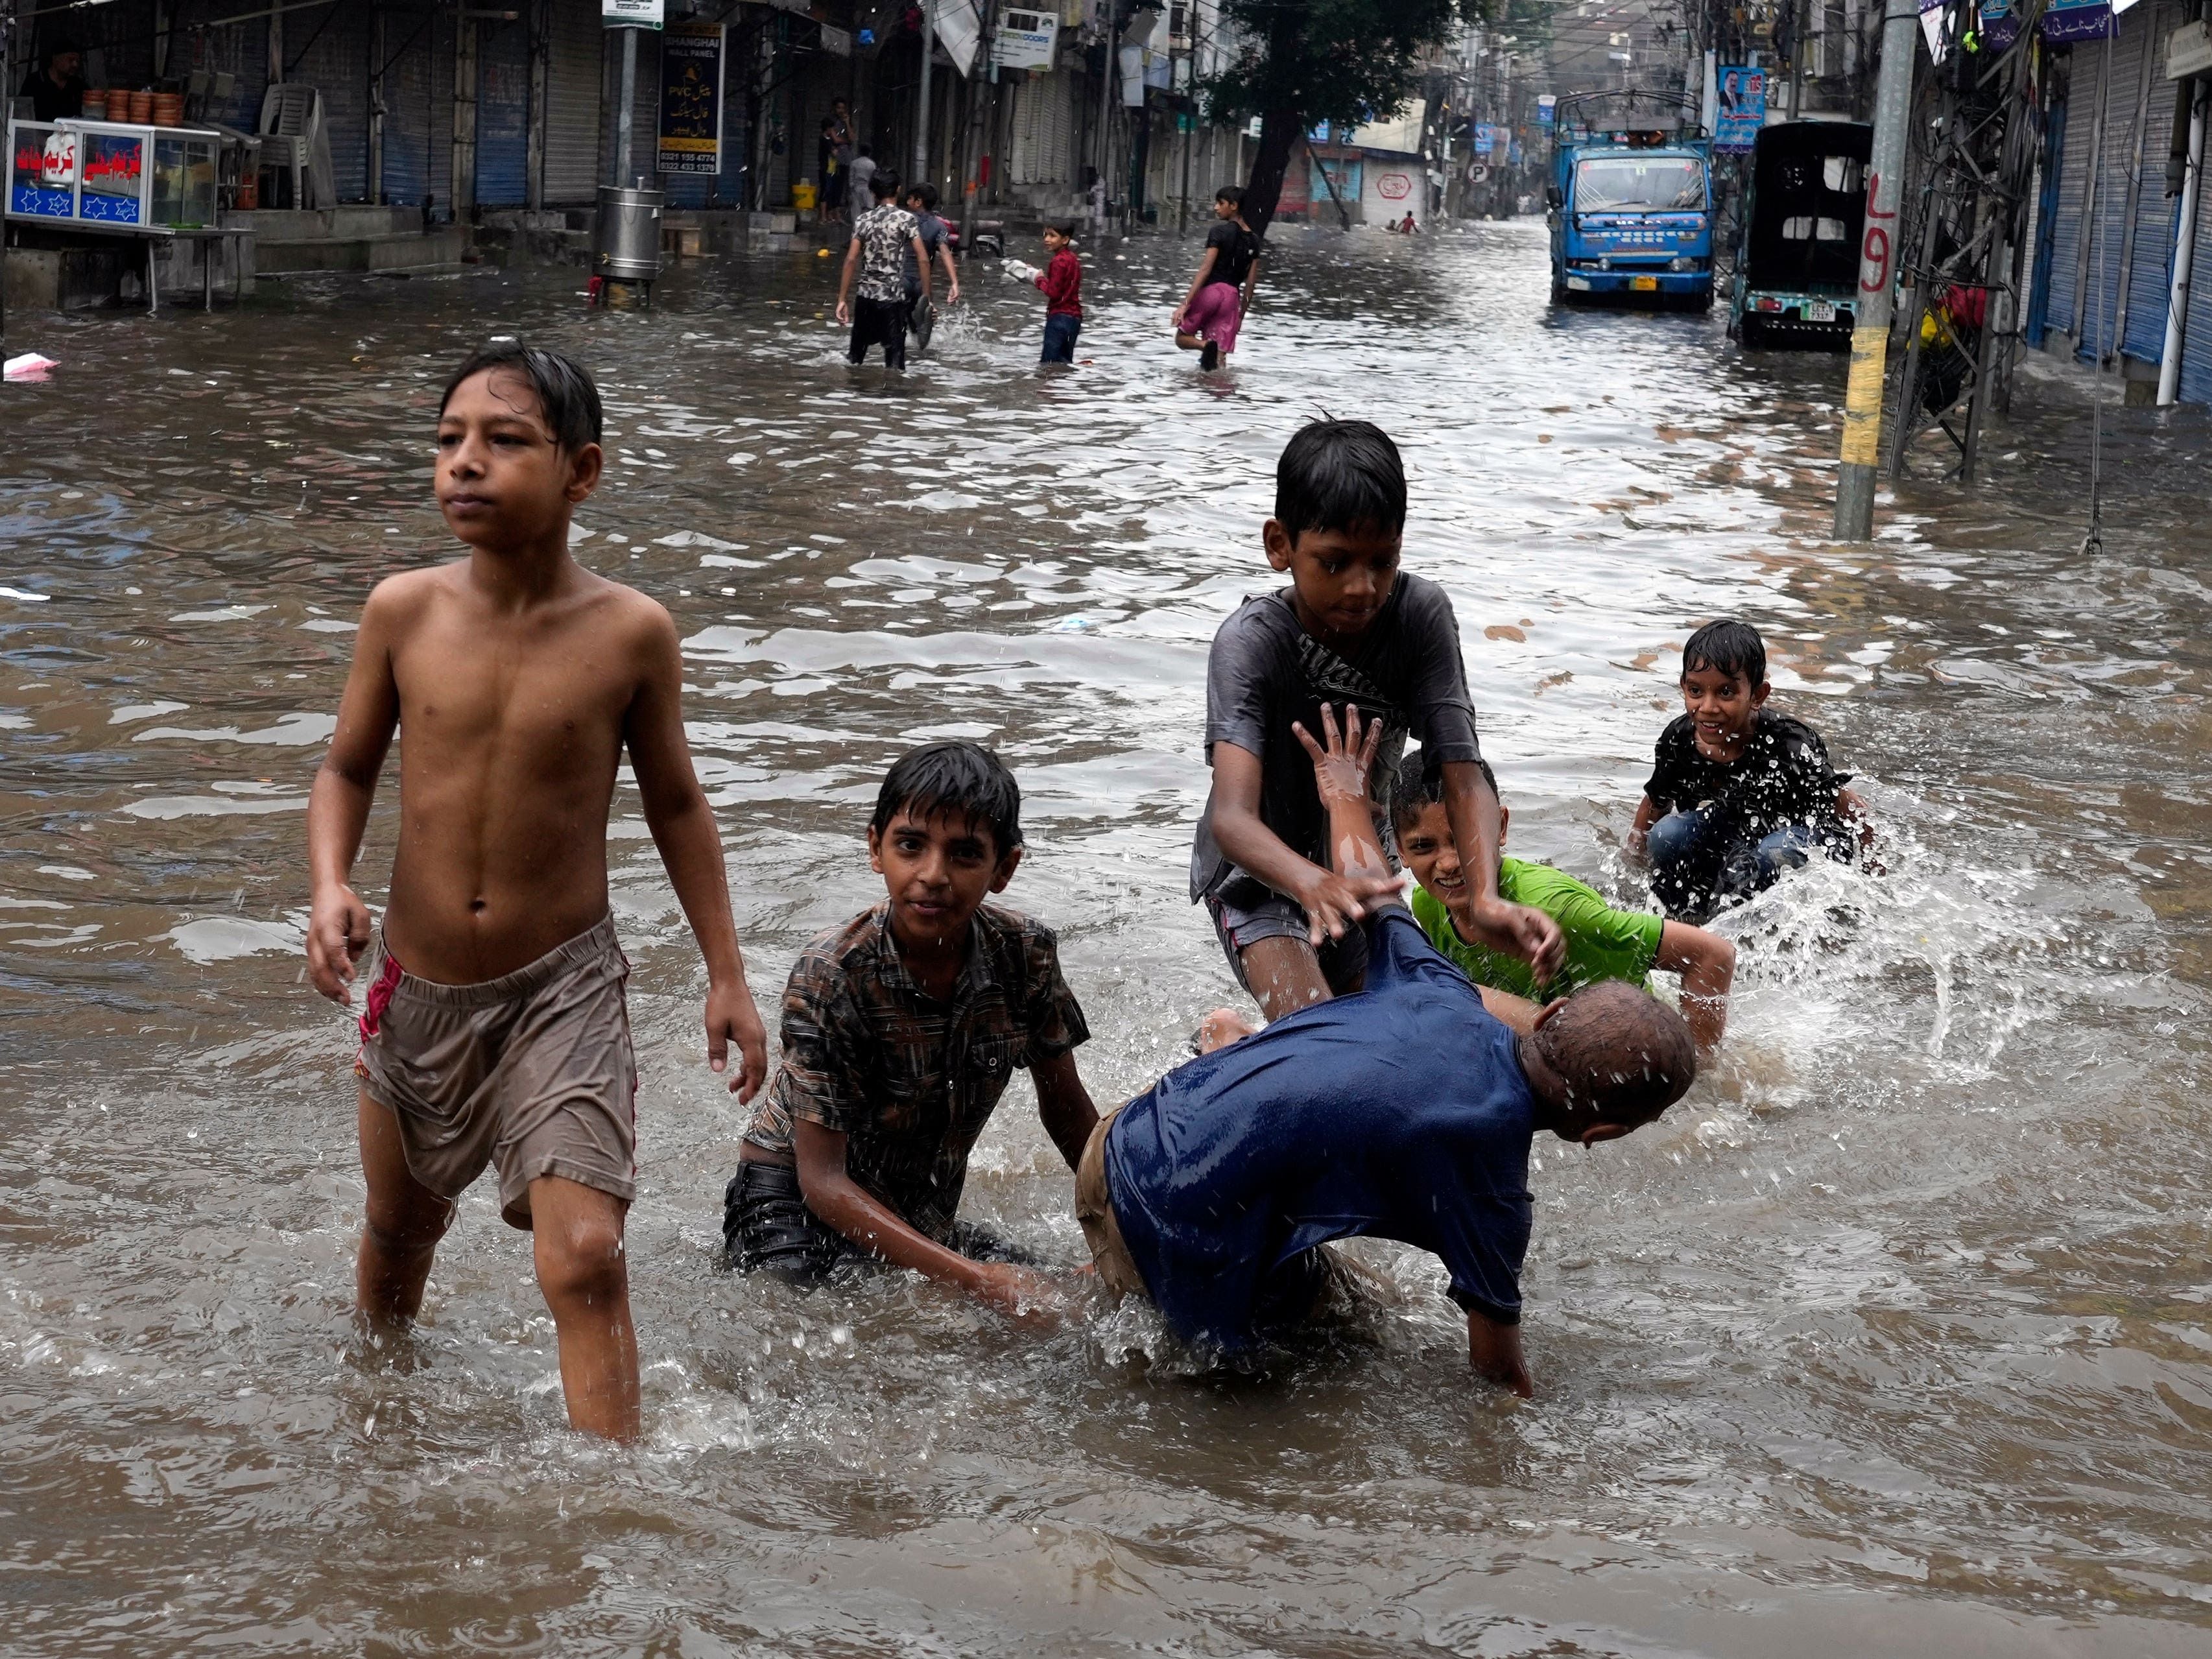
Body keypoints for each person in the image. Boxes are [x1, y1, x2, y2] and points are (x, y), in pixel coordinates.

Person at [303, 342, 770, 1442]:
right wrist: (329, 884)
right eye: (449, 440)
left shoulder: (630, 631)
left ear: (583, 470)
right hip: (417, 987)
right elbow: (347, 767)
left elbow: (676, 804)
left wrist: (727, 973)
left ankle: (611, 1505)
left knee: (587, 1256)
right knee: (399, 1231)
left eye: (505, 440)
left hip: (560, 989)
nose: (466, 463)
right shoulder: (403, 612)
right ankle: (378, 1436)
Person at [1078, 705, 1696, 1393]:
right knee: (1251, 1388)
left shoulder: (1438, 986)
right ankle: (1037, 1298)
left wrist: (1343, 795)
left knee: (1361, 1317)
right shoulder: (1492, 1188)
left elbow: (1372, 879)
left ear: (1546, 1013)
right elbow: (1496, 1371)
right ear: (1601, 1132)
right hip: (1158, 1211)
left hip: (1129, 1130)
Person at [1191, 419, 1562, 1025]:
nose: (1363, 588)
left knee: (1413, 1016)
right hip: (1258, 874)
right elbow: (1232, 818)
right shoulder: (1251, 642)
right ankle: (1222, 1042)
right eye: (1333, 563)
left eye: (1382, 562)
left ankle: (1549, 1033)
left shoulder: (1419, 615)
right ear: (1279, 545)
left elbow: (1462, 775)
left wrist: (1487, 898)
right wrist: (1311, 884)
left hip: (1365, 861)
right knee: (1319, 1038)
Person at [723, 742, 1099, 1320]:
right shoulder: (832, 974)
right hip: (790, 1202)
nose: (932, 875)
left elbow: (1067, 1111)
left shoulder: (1027, 954)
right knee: (815, 1344)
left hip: (912, 1209)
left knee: (1073, 1307)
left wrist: (1123, 1232)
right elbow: (822, 1180)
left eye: (965, 854)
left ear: (1004, 868)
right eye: (910, 845)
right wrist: (980, 1281)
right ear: (876, 848)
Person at [1395, 752, 1736, 1056]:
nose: (1449, 863)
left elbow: (1712, 954)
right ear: (1399, 851)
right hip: (1551, 1036)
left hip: (1624, 1046)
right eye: (1424, 847)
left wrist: (1698, 1071)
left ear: (1499, 827)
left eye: (1463, 840)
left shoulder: (1557, 911)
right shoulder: (1428, 903)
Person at [1628, 618, 1870, 921]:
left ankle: (1765, 926)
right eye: (1695, 690)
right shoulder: (1679, 739)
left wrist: (1874, 876)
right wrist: (1634, 855)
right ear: (1683, 688)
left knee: (1775, 851)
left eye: (1726, 693)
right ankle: (1687, 918)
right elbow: (1656, 802)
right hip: (1741, 831)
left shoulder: (1788, 744)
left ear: (1757, 696)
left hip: (1804, 841)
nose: (1708, 707)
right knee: (1668, 835)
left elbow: (1851, 808)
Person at [836, 172, 930, 370]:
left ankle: (851, 396)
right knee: (895, 366)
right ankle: (891, 399)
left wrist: (842, 300)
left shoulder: (863, 220)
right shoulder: (907, 219)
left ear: (872, 193)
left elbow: (851, 259)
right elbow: (923, 258)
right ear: (898, 190)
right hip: (892, 301)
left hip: (865, 299)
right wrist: (926, 299)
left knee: (854, 361)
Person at [1172, 185, 1263, 372]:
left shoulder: (1219, 233)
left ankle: (1205, 346)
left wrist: (1185, 304)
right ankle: (1219, 395)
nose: (1216, 208)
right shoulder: (1254, 241)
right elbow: (1250, 284)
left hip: (1211, 292)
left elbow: (1205, 269)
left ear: (1234, 206)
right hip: (1231, 298)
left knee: (1182, 338)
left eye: (1220, 203)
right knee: (1220, 361)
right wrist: (1241, 315)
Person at [901, 181, 960, 354]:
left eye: (910, 199)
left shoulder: (903, 221)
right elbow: (946, 253)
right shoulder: (939, 226)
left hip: (901, 282)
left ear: (918, 202)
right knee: (920, 333)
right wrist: (954, 282)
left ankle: (898, 372)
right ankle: (923, 367)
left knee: (898, 329)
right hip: (923, 285)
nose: (907, 202)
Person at [1033, 220, 1084, 365]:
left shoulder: (1057, 261)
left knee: (1048, 365)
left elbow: (1054, 293)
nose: (1047, 239)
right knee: (1064, 363)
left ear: (1065, 240)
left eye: (1052, 236)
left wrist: (1039, 280)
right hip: (1075, 319)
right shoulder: (1073, 259)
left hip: (1059, 318)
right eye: (1046, 235)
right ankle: (1064, 388)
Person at [21, 39, 84, 123]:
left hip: (70, 134)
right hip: (39, 133)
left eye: (77, 61)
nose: (75, 65)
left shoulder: (79, 85)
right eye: (71, 60)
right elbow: (22, 113)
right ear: (55, 58)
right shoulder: (34, 81)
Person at [846, 143, 878, 213]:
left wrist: (851, 189)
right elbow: (874, 177)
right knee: (869, 208)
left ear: (860, 152)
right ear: (869, 153)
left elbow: (851, 177)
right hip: (868, 188)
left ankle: (856, 223)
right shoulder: (872, 164)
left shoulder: (854, 163)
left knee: (856, 208)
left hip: (856, 187)